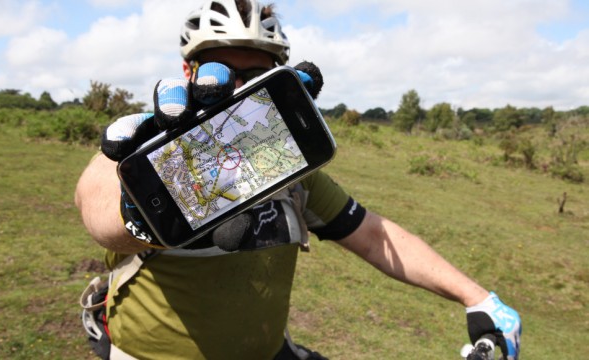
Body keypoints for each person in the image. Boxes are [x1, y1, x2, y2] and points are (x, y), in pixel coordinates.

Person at [75, 1, 522, 359]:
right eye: (221, 70)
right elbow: (94, 206)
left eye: (255, 75)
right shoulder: (145, 141)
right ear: (190, 71)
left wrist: (476, 296)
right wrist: (139, 214)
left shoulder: (286, 170)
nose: (235, 88)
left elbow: (371, 235)